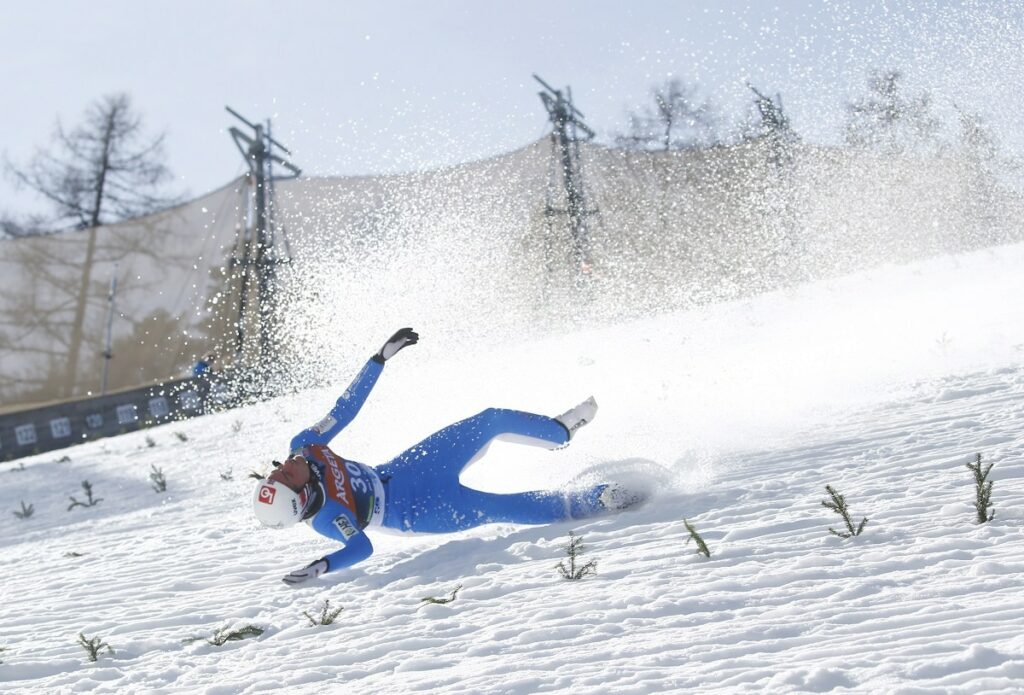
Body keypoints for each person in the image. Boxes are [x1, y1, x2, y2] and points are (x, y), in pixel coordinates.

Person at [252, 328, 640, 586]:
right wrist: (322, 567)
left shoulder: (305, 445)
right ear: (301, 497)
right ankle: (596, 500)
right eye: (286, 478)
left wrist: (378, 359)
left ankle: (558, 432)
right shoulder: (327, 518)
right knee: (500, 507)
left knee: (490, 420)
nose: (286, 466)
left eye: (276, 472)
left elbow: (346, 409)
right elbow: (361, 548)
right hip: (418, 510)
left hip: (406, 470)